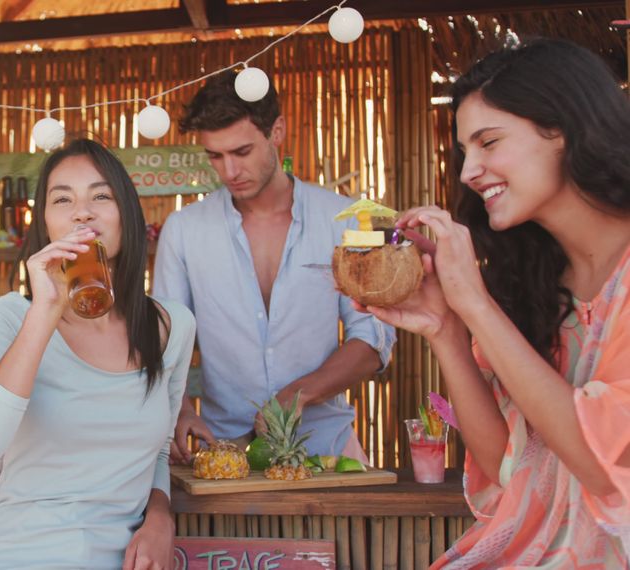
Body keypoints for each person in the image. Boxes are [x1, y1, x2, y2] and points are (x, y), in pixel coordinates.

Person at [363, 39, 630, 566]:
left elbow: (606, 466)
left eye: (489, 142)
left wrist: (477, 307)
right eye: (465, 151)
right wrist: (445, 327)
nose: (468, 172)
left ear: (565, 129)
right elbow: (504, 460)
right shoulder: (532, 282)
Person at [0, 138, 196, 570]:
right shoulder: (11, 319)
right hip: (16, 556)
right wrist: (45, 312)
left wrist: (159, 516)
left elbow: (156, 448)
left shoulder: (171, 328)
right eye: (63, 199)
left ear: (127, 216)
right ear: (45, 224)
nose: (83, 212)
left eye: (102, 195)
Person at [153, 72, 396, 462]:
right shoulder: (183, 231)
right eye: (216, 156)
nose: (229, 171)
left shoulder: (346, 220)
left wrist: (298, 395)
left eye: (242, 152)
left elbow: (374, 340)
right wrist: (180, 410)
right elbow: (166, 342)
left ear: (277, 131)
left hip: (328, 450)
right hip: (225, 455)